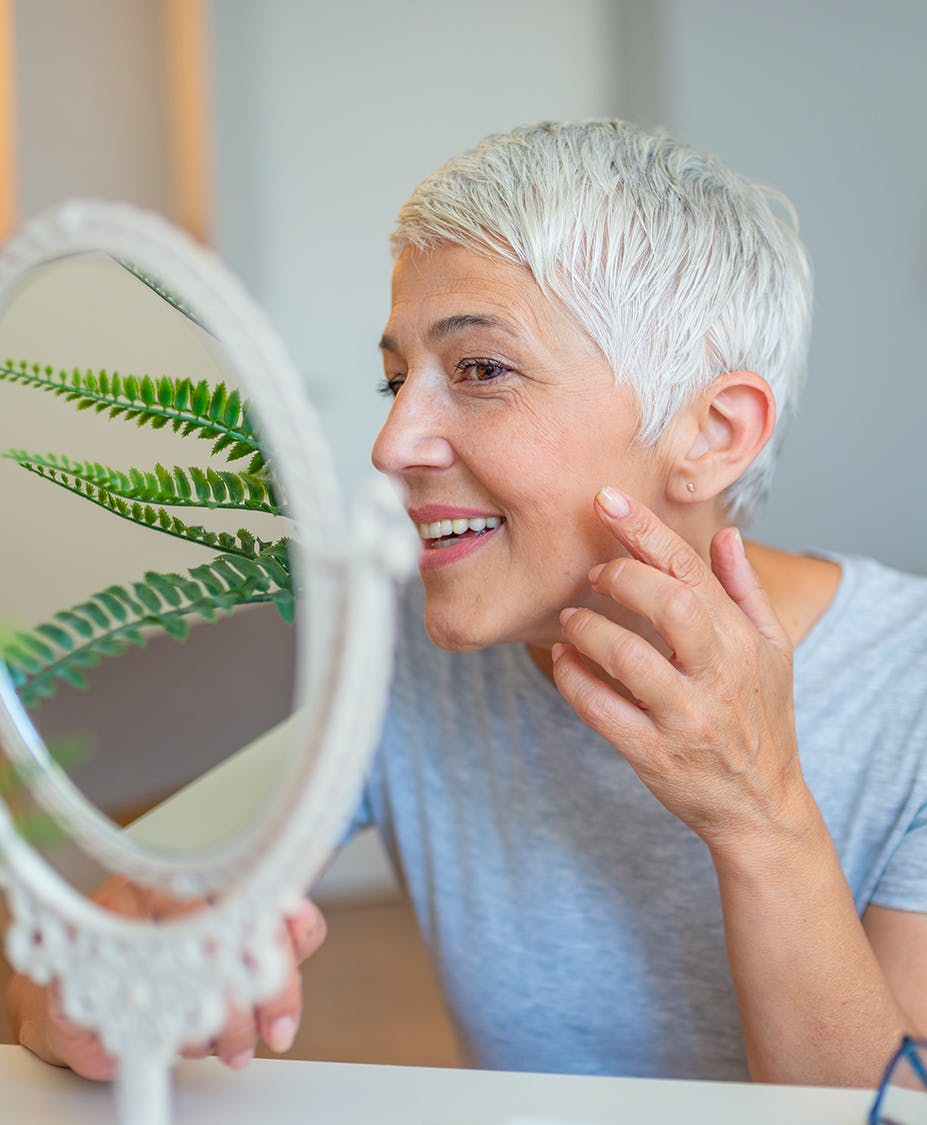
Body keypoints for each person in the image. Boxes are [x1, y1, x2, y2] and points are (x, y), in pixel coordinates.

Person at [9, 119, 927, 1085]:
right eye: (394, 379)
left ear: (710, 434)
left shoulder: (907, 693)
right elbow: (68, 971)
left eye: (480, 370)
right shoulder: (400, 647)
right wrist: (94, 996)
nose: (392, 441)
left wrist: (761, 815)